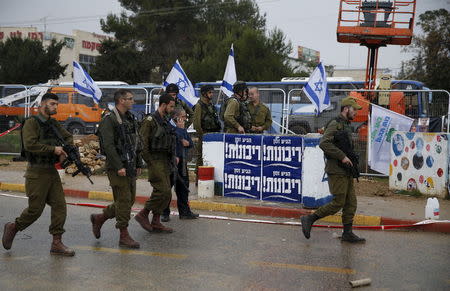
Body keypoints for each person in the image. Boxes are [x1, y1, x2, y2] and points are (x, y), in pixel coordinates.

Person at [2, 93, 75, 256]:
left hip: (51, 171)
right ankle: (13, 227)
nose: (55, 107)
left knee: (60, 205)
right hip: (36, 172)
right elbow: (30, 145)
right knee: (35, 210)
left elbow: (68, 137)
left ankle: (57, 243)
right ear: (43, 105)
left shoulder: (53, 123)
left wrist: (67, 150)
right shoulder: (31, 123)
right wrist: (53, 149)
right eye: (52, 104)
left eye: (57, 104)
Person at [300, 97, 366, 243]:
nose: (356, 113)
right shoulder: (335, 124)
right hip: (337, 169)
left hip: (346, 170)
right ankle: (309, 218)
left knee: (351, 203)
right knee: (338, 202)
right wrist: (342, 156)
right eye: (354, 109)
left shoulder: (346, 125)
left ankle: (347, 233)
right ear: (346, 109)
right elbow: (324, 143)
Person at [90, 89, 143, 249]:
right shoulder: (110, 120)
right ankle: (123, 235)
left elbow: (136, 143)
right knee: (124, 200)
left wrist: (139, 163)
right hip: (117, 167)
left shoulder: (130, 118)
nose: (133, 101)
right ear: (121, 100)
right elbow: (108, 146)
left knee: (128, 200)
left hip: (130, 165)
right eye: (130, 99)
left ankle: (100, 218)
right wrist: (119, 166)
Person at [135, 93, 177, 233]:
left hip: (165, 160)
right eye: (171, 106)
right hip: (155, 160)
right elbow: (142, 143)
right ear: (163, 105)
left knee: (167, 194)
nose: (172, 109)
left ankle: (156, 221)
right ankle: (143, 214)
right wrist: (149, 162)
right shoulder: (150, 120)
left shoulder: (164, 120)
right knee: (163, 190)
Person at [162, 108, 199, 221]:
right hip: (171, 162)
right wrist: (181, 134)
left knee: (183, 187)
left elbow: (189, 143)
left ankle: (184, 212)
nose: (184, 119)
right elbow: (175, 141)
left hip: (182, 162)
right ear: (177, 117)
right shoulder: (169, 127)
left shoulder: (181, 128)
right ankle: (165, 213)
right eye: (183, 117)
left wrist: (182, 133)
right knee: (167, 188)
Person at [193, 85, 221, 181]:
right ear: (204, 93)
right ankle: (198, 177)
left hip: (212, 135)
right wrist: (202, 135)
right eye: (210, 92)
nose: (212, 94)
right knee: (201, 157)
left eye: (212, 92)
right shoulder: (199, 106)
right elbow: (196, 124)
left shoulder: (211, 105)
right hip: (204, 135)